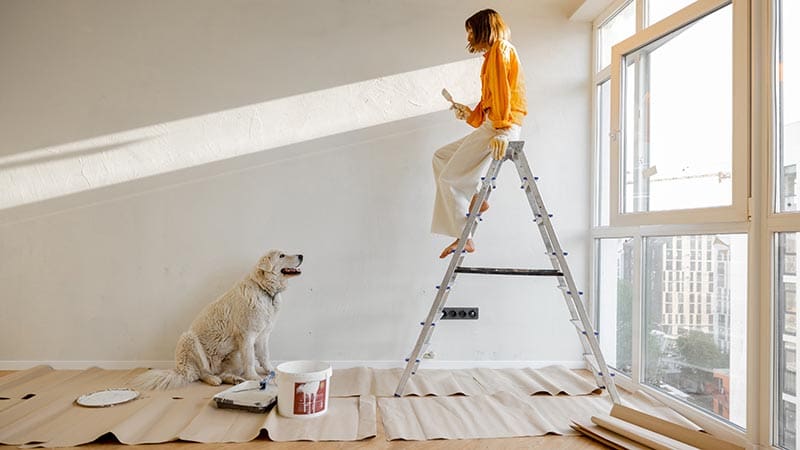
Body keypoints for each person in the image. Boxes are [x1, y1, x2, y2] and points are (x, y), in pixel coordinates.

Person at [432, 8, 527, 259]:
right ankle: (476, 198)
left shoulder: (501, 50)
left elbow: (504, 94)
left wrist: (503, 130)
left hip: (501, 126)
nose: (469, 37)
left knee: (448, 179)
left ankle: (464, 238)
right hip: (494, 124)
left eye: (471, 31)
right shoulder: (491, 56)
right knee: (441, 157)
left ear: (484, 29)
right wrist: (468, 114)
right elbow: (491, 100)